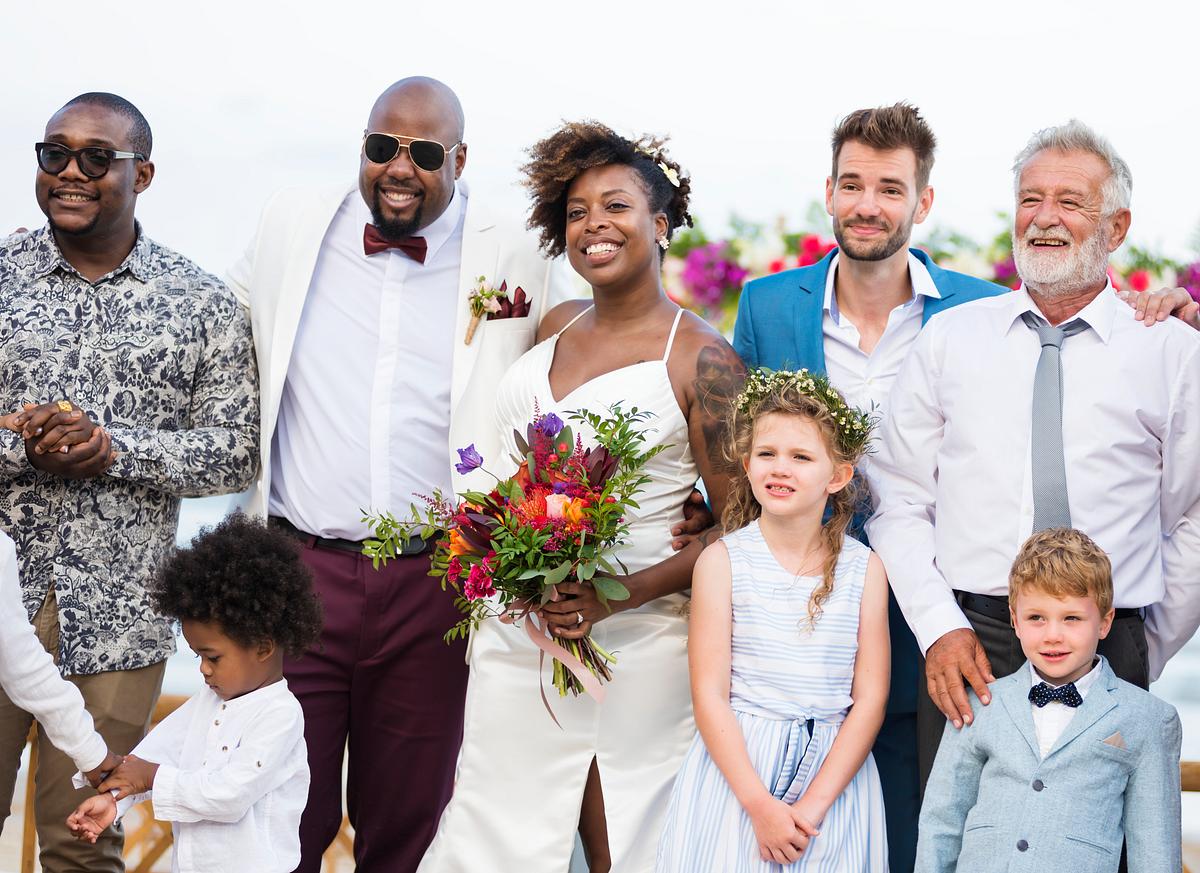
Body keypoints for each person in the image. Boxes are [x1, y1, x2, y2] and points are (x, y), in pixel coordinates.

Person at [225, 77, 572, 872]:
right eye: (383, 148)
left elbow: (587, 361)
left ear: (460, 158)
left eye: (423, 153)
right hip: (295, 569)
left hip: (438, 579)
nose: (400, 168)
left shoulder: (516, 248)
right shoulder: (293, 222)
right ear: (363, 148)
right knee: (278, 811)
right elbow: (219, 329)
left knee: (412, 817)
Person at [416, 122, 745, 873]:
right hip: (517, 638)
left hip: (640, 645)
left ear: (660, 225)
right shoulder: (555, 323)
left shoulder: (704, 358)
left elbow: (741, 528)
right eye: (575, 210)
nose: (593, 223)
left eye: (617, 205)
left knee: (625, 833)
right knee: (489, 826)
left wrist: (616, 594)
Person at [866, 120, 1200, 790]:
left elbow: (1191, 516)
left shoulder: (1171, 352)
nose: (1045, 217)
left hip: (1113, 641)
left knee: (1107, 848)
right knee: (965, 847)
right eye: (1030, 198)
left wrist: (1137, 644)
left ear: (1117, 226)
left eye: (1071, 202)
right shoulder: (948, 340)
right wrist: (939, 629)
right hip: (972, 646)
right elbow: (896, 497)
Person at [731, 103, 1002, 871]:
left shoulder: (981, 309)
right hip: (800, 619)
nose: (868, 205)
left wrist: (1169, 309)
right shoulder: (767, 305)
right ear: (828, 191)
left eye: (890, 188)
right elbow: (742, 454)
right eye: (852, 184)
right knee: (802, 822)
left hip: (936, 612)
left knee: (920, 823)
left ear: (923, 202)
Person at [0, 92, 259, 872]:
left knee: (83, 839)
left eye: (96, 159)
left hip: (121, 617)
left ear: (141, 173)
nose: (71, 173)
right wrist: (28, 446)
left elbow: (235, 451)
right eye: (55, 155)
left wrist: (113, 449)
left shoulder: (203, 302)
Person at [656, 368, 889, 872]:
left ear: (838, 475)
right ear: (747, 464)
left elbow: (869, 701)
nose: (780, 468)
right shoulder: (722, 562)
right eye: (767, 454)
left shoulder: (864, 570)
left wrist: (811, 808)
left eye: (801, 457)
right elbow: (710, 696)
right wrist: (760, 806)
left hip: (831, 781)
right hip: (741, 777)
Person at [67, 513, 322, 873]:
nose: (203, 668)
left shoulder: (280, 715)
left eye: (212, 656)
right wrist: (114, 801)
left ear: (263, 647)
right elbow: (157, 753)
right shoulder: (211, 698)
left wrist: (151, 776)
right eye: (198, 656)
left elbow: (229, 795)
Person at [915, 528, 1181, 872]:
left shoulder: (1148, 719)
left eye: (1071, 618)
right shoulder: (980, 704)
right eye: (1036, 618)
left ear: (1104, 621)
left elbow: (1155, 851)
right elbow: (941, 822)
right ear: (1015, 621)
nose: (1053, 635)